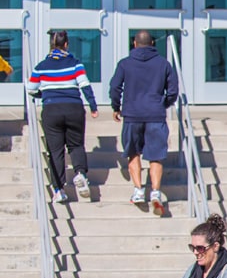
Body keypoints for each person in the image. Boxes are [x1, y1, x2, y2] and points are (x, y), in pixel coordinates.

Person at [25, 29, 99, 204]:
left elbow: (31, 89)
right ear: (66, 44)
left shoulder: (41, 66)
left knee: (56, 151)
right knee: (75, 145)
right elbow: (85, 85)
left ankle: (58, 190)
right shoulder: (75, 63)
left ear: (52, 45)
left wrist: (45, 95)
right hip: (73, 108)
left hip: (51, 109)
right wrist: (93, 106)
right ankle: (80, 173)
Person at [110, 30, 178, 215]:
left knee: (133, 152)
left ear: (134, 43)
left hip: (132, 114)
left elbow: (115, 87)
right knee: (156, 155)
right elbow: (173, 90)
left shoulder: (125, 64)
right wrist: (163, 104)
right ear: (153, 43)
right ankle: (155, 192)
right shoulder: (164, 64)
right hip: (155, 114)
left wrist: (116, 107)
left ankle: (139, 190)